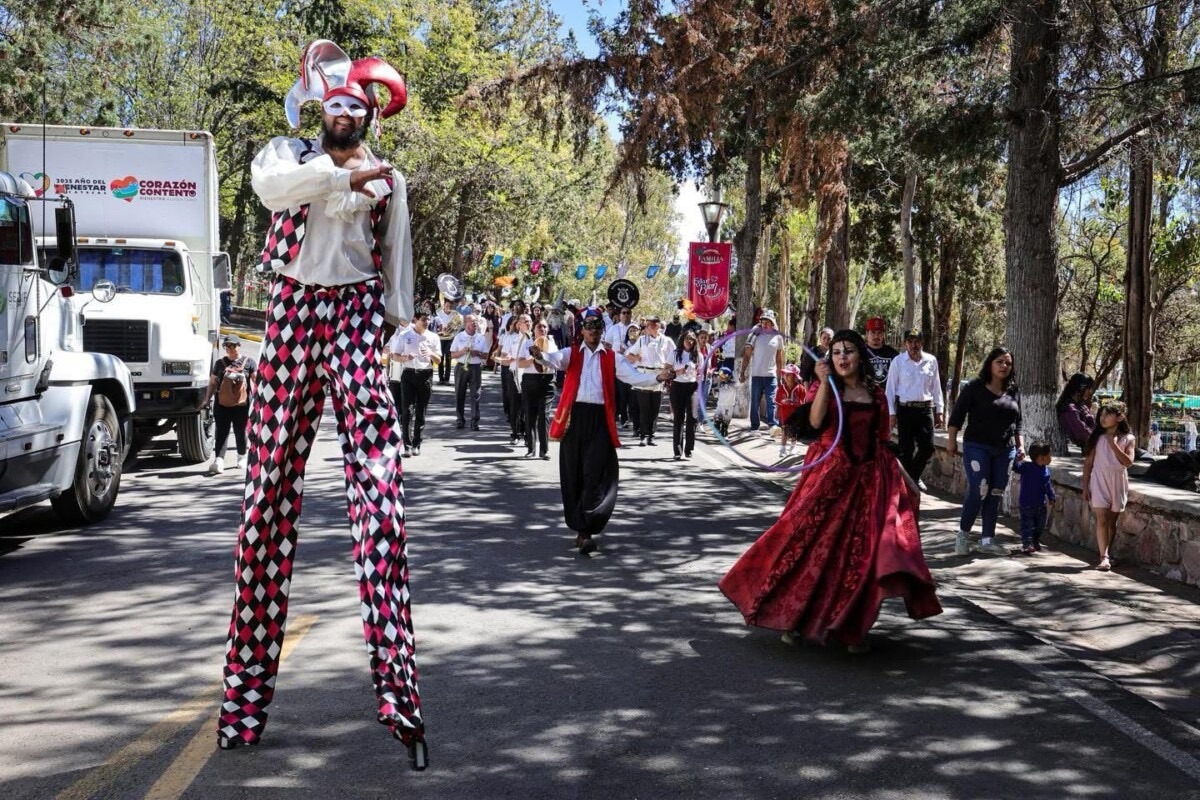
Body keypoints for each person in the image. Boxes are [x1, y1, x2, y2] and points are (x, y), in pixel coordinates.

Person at [219, 41, 426, 768]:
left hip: (358, 316)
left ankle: (398, 689)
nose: (343, 114)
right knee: (267, 496)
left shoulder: (388, 179)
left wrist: (395, 324)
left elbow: (395, 254)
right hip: (293, 315)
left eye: (355, 107)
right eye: (333, 104)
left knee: (378, 486)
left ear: (370, 113)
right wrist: (339, 172)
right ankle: (243, 703)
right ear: (318, 108)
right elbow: (274, 191)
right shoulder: (289, 154)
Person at [719, 329, 942, 653]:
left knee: (862, 556)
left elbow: (882, 442)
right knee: (807, 547)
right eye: (836, 352)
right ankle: (794, 616)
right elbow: (816, 419)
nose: (842, 357)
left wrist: (905, 477)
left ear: (859, 355)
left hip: (869, 481)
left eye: (848, 351)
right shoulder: (826, 387)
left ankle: (852, 627)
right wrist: (823, 383)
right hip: (830, 476)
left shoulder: (875, 393)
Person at [530, 308, 668, 553]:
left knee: (597, 473)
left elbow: (633, 377)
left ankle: (587, 528)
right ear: (582, 331)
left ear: (601, 331)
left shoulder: (612, 357)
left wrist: (658, 378)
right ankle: (581, 528)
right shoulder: (572, 353)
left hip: (600, 419)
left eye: (597, 328)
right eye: (589, 328)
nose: (593, 332)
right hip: (575, 419)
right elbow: (553, 359)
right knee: (575, 474)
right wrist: (539, 355)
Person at [945, 347, 1024, 557]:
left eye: (1008, 363)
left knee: (996, 492)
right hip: (977, 446)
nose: (1004, 366)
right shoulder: (974, 387)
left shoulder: (1014, 390)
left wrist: (1020, 445)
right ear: (990, 363)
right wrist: (951, 441)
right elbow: (957, 416)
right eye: (1000, 361)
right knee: (980, 488)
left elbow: (1019, 422)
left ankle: (987, 540)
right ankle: (963, 535)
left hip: (1004, 450)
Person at [885, 328, 944, 487]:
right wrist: (891, 413)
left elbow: (937, 386)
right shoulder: (898, 361)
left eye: (917, 341)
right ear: (905, 344)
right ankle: (908, 483)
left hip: (925, 409)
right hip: (905, 409)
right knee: (906, 449)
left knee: (928, 447)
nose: (913, 345)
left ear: (922, 342)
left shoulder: (931, 361)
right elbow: (890, 390)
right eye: (910, 341)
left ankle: (911, 477)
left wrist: (940, 410)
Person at [1082, 401, 1136, 571]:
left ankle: (1107, 553)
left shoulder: (1128, 439)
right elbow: (1088, 464)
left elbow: (1128, 462)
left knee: (1112, 521)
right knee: (1102, 518)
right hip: (1099, 480)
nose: (1103, 418)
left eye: (1107, 414)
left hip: (1118, 481)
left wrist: (1113, 445)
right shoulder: (1096, 437)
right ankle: (1103, 557)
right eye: (1101, 415)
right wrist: (1085, 486)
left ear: (1120, 417)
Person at [386, 311, 440, 457]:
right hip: (409, 373)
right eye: (423, 319)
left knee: (421, 411)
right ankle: (407, 446)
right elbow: (395, 356)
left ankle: (417, 444)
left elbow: (438, 360)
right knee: (407, 411)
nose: (426, 322)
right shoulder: (404, 335)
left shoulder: (433, 337)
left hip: (425, 375)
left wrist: (430, 353)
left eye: (428, 320)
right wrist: (405, 357)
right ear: (415, 320)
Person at [205, 334, 257, 475]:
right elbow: (213, 382)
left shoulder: (249, 362)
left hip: (242, 405)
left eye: (232, 346)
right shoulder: (219, 363)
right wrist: (206, 399)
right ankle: (219, 461)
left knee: (240, 431)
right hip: (222, 404)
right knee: (222, 431)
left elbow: (257, 381)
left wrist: (261, 400)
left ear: (239, 346)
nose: (228, 349)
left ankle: (241, 457)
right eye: (226, 346)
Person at [626, 315, 674, 446]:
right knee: (644, 407)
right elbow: (628, 355)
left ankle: (651, 435)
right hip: (645, 374)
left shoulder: (666, 340)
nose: (650, 326)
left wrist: (669, 368)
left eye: (653, 324)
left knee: (655, 407)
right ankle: (642, 434)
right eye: (648, 324)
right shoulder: (642, 339)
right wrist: (637, 358)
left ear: (658, 325)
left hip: (659, 374)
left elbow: (675, 355)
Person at [517, 319, 558, 459]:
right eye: (539, 326)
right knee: (530, 415)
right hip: (530, 380)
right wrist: (534, 359)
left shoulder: (552, 343)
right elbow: (520, 363)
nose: (542, 329)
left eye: (545, 326)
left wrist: (544, 359)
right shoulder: (527, 343)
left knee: (544, 416)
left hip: (547, 381)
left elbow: (557, 363)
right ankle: (531, 449)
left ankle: (544, 450)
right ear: (534, 329)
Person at [741, 310, 785, 433]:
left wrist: (780, 375)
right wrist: (742, 372)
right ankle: (755, 427)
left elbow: (779, 358)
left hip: (771, 375)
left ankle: (773, 426)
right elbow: (747, 355)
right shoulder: (755, 335)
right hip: (756, 374)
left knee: (772, 401)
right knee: (755, 401)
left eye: (767, 322)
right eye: (763, 322)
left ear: (772, 323)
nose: (764, 324)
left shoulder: (778, 337)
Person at [1012, 443, 1055, 555]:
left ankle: (1035, 541)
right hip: (1026, 504)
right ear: (1042, 457)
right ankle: (1027, 543)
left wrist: (1051, 496)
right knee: (1027, 525)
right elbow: (1015, 467)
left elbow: (1047, 485)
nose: (1051, 458)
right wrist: (1016, 456)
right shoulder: (1027, 467)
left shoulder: (1046, 470)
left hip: (1041, 504)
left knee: (1040, 526)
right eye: (1050, 455)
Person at [450, 313, 489, 431]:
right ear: (466, 323)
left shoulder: (481, 338)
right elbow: (452, 354)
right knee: (459, 394)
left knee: (475, 395)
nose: (475, 323)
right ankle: (460, 420)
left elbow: (486, 355)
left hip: (475, 367)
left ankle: (475, 421)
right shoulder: (459, 337)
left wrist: (477, 353)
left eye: (476, 321)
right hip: (461, 366)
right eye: (472, 321)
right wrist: (462, 351)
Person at [669, 330, 701, 460]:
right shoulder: (675, 353)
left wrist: (700, 374)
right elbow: (666, 369)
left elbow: (700, 372)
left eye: (692, 339)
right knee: (679, 418)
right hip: (677, 386)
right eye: (687, 338)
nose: (689, 341)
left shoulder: (698, 355)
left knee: (692, 417)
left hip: (692, 387)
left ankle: (689, 448)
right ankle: (677, 450)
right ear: (682, 339)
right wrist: (677, 371)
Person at [604, 307, 634, 426]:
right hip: (616, 363)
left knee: (630, 392)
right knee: (619, 391)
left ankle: (631, 416)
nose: (626, 315)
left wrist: (626, 351)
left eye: (628, 313)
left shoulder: (634, 328)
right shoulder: (613, 328)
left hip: (632, 364)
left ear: (631, 314)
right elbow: (607, 344)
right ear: (620, 315)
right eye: (623, 313)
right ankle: (622, 416)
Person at [1055, 372, 1095, 449]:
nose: (1090, 392)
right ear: (1080, 388)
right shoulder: (1070, 409)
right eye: (1088, 388)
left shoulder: (1080, 406)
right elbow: (1083, 434)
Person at [774, 364, 805, 458]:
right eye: (785, 374)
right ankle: (783, 448)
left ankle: (793, 447)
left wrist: (792, 402)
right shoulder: (781, 388)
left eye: (789, 374)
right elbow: (778, 401)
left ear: (794, 376)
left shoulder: (800, 388)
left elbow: (802, 402)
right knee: (785, 429)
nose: (787, 376)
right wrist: (777, 411)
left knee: (794, 431)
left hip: (796, 413)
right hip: (785, 412)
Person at [863, 316, 899, 385]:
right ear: (867, 333)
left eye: (879, 333)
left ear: (883, 334)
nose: (876, 336)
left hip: (887, 394)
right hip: (865, 394)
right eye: (873, 332)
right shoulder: (860, 352)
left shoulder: (893, 353)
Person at [434, 297, 460, 385]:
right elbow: (436, 325)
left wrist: (453, 330)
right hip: (440, 338)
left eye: (450, 306)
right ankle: (441, 378)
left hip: (450, 339)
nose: (449, 307)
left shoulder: (455, 315)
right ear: (444, 305)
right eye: (447, 305)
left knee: (448, 359)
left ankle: (447, 378)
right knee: (440, 357)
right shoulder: (438, 313)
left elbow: (458, 326)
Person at [713, 366, 737, 437]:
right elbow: (716, 395)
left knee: (726, 421)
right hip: (720, 405)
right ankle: (717, 432)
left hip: (728, 406)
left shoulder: (733, 385)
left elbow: (739, 383)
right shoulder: (719, 384)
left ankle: (724, 432)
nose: (719, 377)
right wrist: (714, 385)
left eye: (721, 375)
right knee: (717, 419)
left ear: (726, 376)